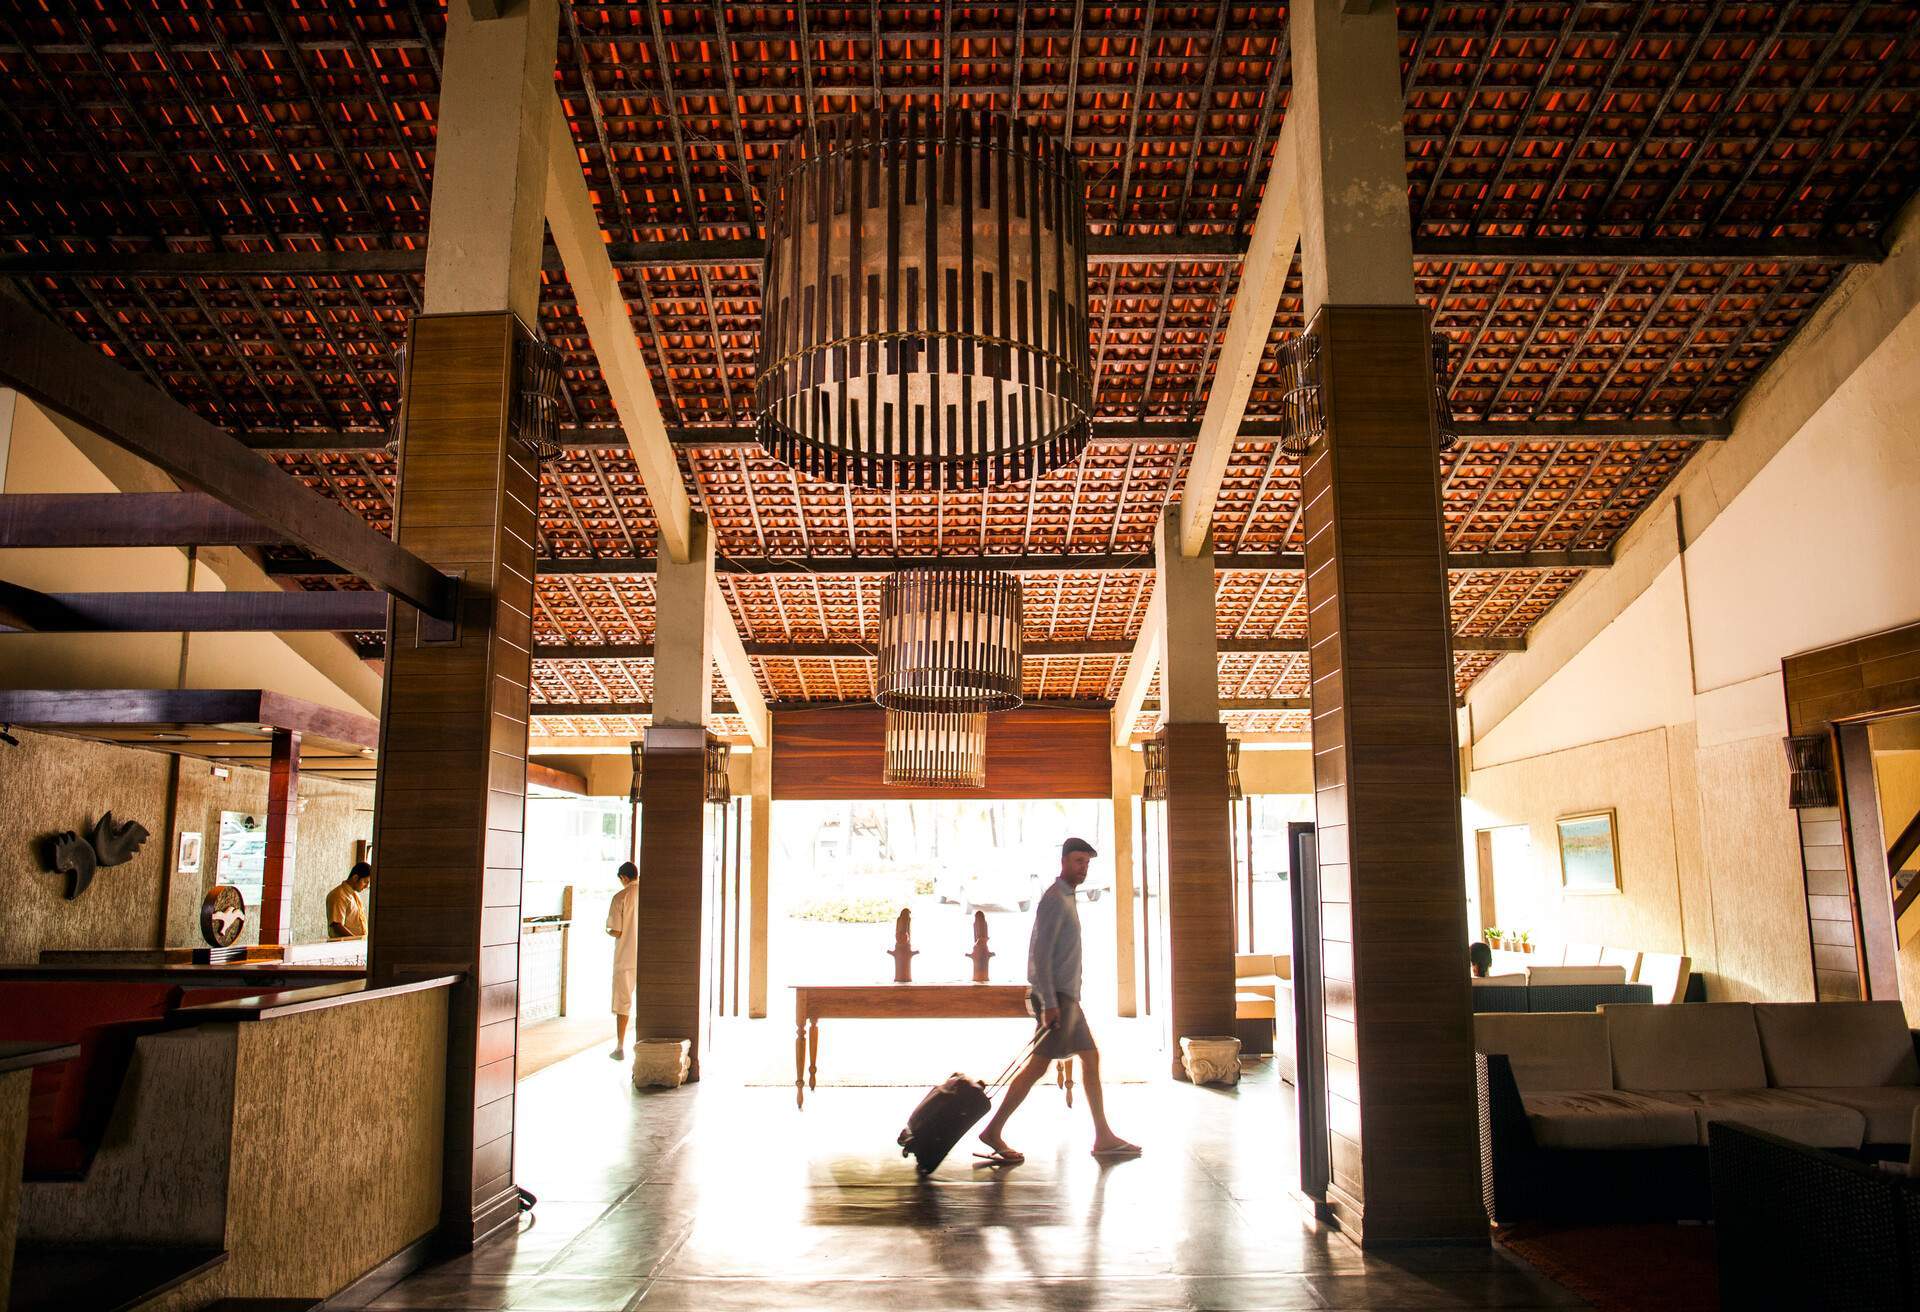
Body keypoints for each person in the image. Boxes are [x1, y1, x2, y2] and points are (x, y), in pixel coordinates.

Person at [976, 837, 1140, 1164]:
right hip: (1058, 1000)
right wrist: (1049, 1003)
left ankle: (1103, 1136)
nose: (1083, 867)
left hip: (1066, 998)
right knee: (1039, 1066)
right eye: (1078, 861)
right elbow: (1039, 955)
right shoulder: (1054, 899)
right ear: (1064, 862)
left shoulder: (1067, 897)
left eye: (1087, 862)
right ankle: (993, 1130)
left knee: (1087, 1059)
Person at [607, 860, 639, 1060]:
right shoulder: (646, 894)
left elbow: (617, 930)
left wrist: (608, 931)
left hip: (625, 957)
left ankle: (620, 1047)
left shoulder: (620, 897)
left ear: (624, 878)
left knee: (623, 1002)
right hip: (644, 956)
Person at [326, 861, 372, 939]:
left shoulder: (355, 895)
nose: (366, 886)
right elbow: (336, 925)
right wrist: (355, 941)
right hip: (343, 947)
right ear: (355, 878)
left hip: (354, 946)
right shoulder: (339, 895)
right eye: (365, 882)